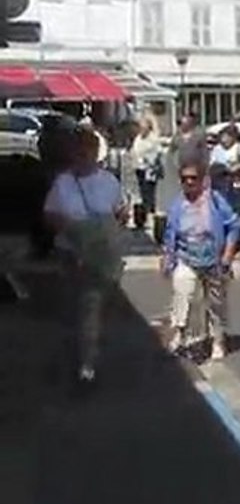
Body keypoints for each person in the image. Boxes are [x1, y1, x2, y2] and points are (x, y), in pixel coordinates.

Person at [43, 128, 126, 389]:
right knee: (79, 310)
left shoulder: (109, 181)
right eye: (76, 150)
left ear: (94, 152)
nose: (81, 155)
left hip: (102, 257)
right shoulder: (62, 183)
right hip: (72, 256)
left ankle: (87, 358)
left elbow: (120, 213)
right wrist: (73, 230)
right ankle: (82, 361)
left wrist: (104, 234)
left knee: (94, 309)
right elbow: (50, 215)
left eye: (86, 149)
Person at [162, 158, 240, 361]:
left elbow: (234, 225)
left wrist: (227, 255)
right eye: (184, 179)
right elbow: (170, 232)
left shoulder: (215, 201)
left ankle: (217, 340)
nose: (189, 182)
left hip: (214, 259)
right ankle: (181, 333)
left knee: (216, 304)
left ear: (203, 180)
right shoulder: (177, 204)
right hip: (186, 257)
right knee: (183, 292)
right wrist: (167, 256)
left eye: (193, 178)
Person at [210, 126, 240, 216]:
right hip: (221, 183)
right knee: (222, 207)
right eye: (222, 137)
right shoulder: (217, 149)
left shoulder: (239, 147)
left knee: (238, 209)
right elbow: (211, 163)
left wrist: (239, 166)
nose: (224, 140)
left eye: (226, 137)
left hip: (237, 182)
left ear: (233, 138)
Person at [130, 119, 164, 230]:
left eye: (143, 128)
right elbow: (134, 150)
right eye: (140, 127)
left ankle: (150, 215)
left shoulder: (153, 139)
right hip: (139, 168)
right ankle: (142, 216)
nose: (141, 130)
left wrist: (149, 160)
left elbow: (158, 153)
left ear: (148, 128)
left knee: (149, 192)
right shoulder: (138, 138)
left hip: (149, 170)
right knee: (141, 192)